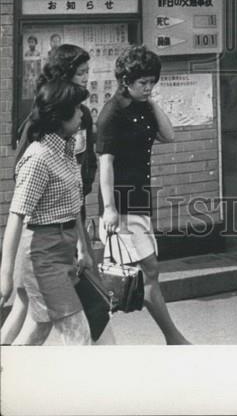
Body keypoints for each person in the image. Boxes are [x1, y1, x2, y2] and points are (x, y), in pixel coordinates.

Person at [2, 45, 97, 346]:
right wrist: (5, 274)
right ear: (59, 116)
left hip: (63, 247)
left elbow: (75, 206)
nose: (82, 116)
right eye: (78, 111)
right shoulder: (39, 157)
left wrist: (83, 247)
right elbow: (16, 217)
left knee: (37, 328)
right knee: (78, 334)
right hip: (41, 253)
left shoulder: (68, 150)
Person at [97, 44, 190, 345]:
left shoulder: (142, 106)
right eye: (143, 83)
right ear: (125, 80)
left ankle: (89, 336)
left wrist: (151, 101)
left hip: (138, 201)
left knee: (127, 278)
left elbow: (169, 135)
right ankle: (173, 338)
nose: (148, 87)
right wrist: (109, 208)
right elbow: (105, 162)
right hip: (121, 206)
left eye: (152, 82)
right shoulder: (112, 113)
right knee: (141, 273)